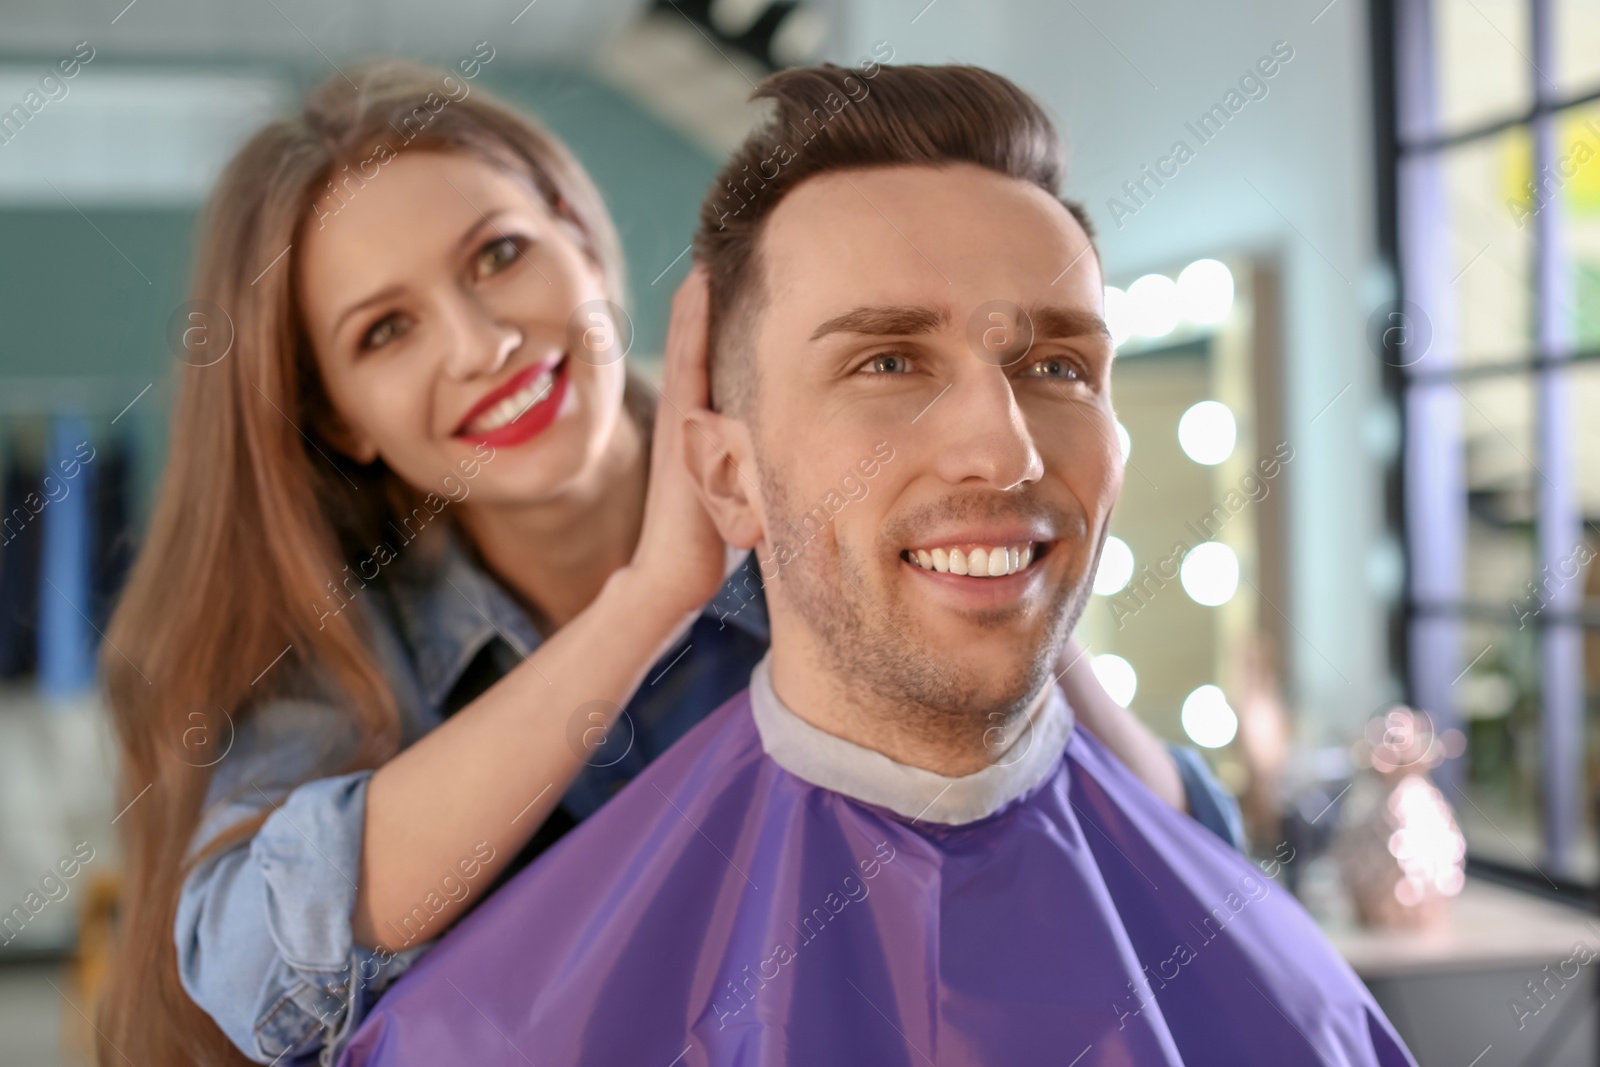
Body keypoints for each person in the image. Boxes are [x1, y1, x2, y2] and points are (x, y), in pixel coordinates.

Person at [96, 61, 1241, 1067]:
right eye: (383, 330)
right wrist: (650, 599)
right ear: (339, 415)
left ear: (581, 244)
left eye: (497, 255)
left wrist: (1016, 602)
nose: (483, 343)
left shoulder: (820, 478)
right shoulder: (339, 639)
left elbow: (1189, 869)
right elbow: (261, 978)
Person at [339, 64, 1415, 1067]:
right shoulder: (480, 1026)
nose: (1004, 448)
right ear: (724, 473)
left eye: (1056, 364)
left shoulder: (1300, 999)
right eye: (887, 361)